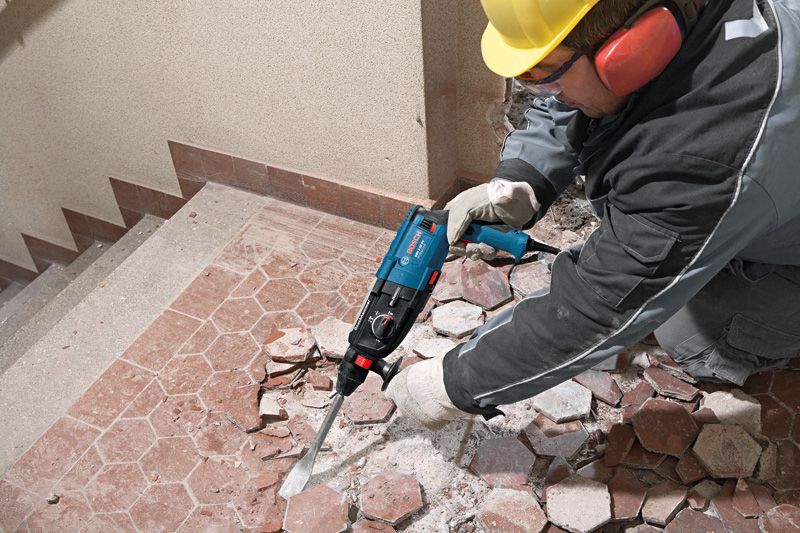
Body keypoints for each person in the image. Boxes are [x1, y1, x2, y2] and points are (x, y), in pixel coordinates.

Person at [385, 0, 800, 430]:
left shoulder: (705, 154)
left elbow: (594, 312)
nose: (545, 92)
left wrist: (451, 384)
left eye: (546, 75)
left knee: (690, 335)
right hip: (775, 190)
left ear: (631, 51)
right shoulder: (670, 24)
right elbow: (572, 96)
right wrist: (525, 178)